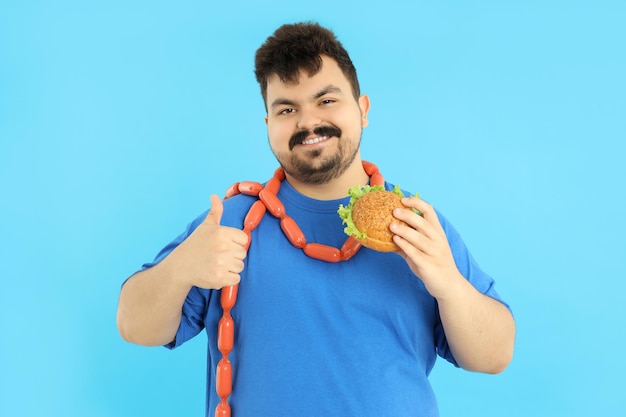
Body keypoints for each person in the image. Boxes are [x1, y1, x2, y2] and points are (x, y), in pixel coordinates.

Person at [116, 21, 515, 417]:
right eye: (287, 109)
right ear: (268, 125)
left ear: (362, 110)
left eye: (326, 100)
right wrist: (181, 268)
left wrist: (449, 284)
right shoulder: (231, 222)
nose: (308, 122)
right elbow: (135, 326)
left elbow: (493, 356)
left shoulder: (414, 223)